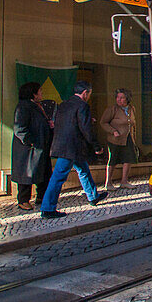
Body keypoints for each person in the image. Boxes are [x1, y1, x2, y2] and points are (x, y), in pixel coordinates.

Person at [40, 81, 108, 218]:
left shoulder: (64, 104)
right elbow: (85, 129)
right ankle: (47, 208)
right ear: (85, 93)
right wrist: (96, 146)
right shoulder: (82, 105)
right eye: (89, 93)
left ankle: (93, 196)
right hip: (71, 147)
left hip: (64, 144)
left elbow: (67, 123)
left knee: (83, 169)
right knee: (58, 177)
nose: (89, 96)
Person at [11, 81, 53, 211]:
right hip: (29, 149)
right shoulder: (23, 107)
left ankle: (41, 196)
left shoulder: (36, 106)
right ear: (33, 94)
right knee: (26, 174)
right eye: (39, 91)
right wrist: (31, 141)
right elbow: (20, 128)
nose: (41, 93)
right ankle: (23, 200)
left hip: (40, 146)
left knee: (44, 172)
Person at [100, 88, 138, 190]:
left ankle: (124, 181)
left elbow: (133, 123)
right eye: (117, 97)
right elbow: (103, 122)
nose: (119, 100)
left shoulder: (131, 109)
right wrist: (113, 131)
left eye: (122, 98)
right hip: (115, 139)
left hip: (127, 137)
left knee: (128, 158)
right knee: (113, 159)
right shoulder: (112, 109)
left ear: (127, 99)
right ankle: (108, 183)